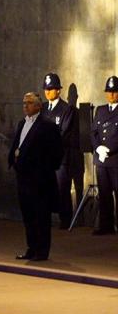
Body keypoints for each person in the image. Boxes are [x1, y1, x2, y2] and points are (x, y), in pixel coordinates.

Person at [9, 92, 63, 261]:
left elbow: (57, 152)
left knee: (41, 216)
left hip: (40, 180)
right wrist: (13, 158)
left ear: (39, 106)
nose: (25, 106)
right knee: (28, 215)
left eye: (30, 103)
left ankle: (42, 250)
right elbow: (17, 146)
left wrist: (43, 169)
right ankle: (31, 248)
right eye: (24, 103)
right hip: (23, 179)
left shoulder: (47, 126)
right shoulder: (21, 123)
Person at [41, 73, 82, 228]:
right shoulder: (43, 108)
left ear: (58, 90)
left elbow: (63, 132)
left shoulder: (67, 109)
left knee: (62, 189)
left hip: (59, 158)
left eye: (51, 89)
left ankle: (65, 220)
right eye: (46, 89)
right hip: (44, 157)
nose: (48, 92)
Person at [91, 75, 118, 235]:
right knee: (104, 193)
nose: (111, 95)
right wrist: (98, 147)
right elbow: (93, 132)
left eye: (114, 92)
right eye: (109, 92)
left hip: (115, 159)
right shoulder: (100, 110)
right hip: (101, 160)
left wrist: (109, 149)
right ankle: (105, 226)